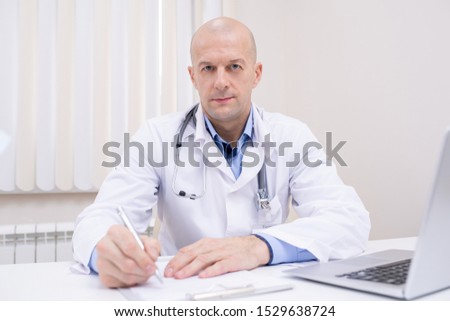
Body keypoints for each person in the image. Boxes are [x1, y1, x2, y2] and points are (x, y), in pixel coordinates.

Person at [72, 17, 370, 288]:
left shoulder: (291, 136)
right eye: (208, 68)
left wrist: (258, 247)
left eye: (234, 66)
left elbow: (349, 220)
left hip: (269, 293)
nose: (221, 81)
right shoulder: (156, 136)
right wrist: (107, 254)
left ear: (256, 74)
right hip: (183, 289)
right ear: (193, 76)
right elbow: (99, 218)